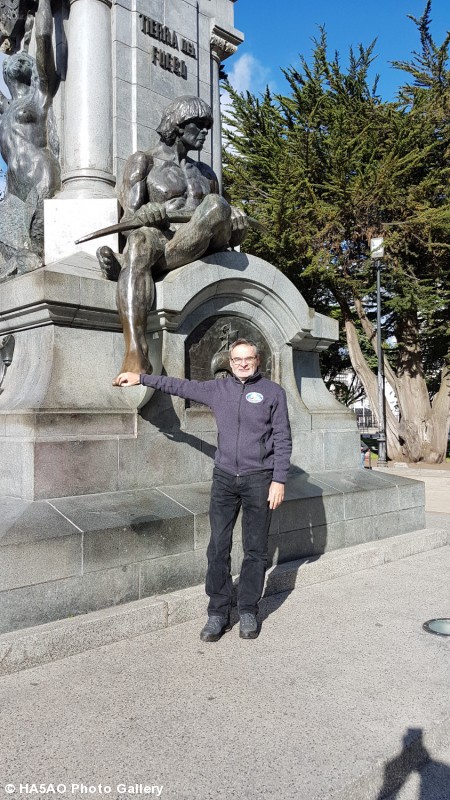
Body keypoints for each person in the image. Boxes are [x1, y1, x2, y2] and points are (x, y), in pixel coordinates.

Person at [115, 338, 292, 641]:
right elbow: (179, 386)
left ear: (257, 360)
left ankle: (248, 609)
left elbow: (282, 438)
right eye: (237, 359)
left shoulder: (273, 393)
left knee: (255, 549)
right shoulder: (217, 389)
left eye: (248, 358)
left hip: (259, 479)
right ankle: (218, 612)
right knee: (218, 547)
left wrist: (279, 480)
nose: (243, 364)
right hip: (224, 479)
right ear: (230, 362)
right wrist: (141, 378)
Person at [97, 95, 248, 383]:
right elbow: (128, 221)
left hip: (205, 241)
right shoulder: (144, 162)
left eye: (207, 126)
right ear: (178, 125)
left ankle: (123, 267)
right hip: (164, 242)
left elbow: (226, 234)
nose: (205, 132)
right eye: (198, 125)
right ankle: (136, 352)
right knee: (139, 241)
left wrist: (237, 221)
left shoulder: (207, 174)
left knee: (216, 204)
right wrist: (147, 213)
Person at [0, 0, 60, 258]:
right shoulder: (6, 106)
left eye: (26, 58)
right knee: (13, 255)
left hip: (39, 175)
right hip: (14, 186)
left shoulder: (39, 95)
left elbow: (43, 38)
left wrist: (44, 3)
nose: (20, 56)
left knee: (38, 248)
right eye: (15, 57)